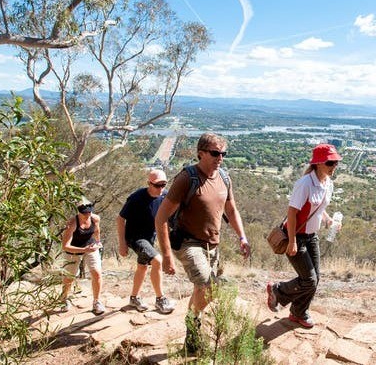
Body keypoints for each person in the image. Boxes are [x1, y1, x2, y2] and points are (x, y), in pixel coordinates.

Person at [155, 133, 251, 354]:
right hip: (188, 243)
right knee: (208, 286)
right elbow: (160, 218)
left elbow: (231, 210)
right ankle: (193, 322)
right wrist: (167, 256)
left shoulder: (225, 178)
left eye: (223, 153)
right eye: (215, 153)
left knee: (201, 289)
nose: (220, 158)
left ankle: (192, 325)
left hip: (212, 244)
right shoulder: (187, 179)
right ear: (201, 153)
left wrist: (242, 237)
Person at [265, 143, 342, 328]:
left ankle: (298, 313)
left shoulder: (327, 184)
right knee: (309, 280)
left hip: (311, 236)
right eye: (330, 163)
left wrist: (329, 220)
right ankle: (278, 290)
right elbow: (292, 213)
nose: (334, 167)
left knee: (315, 280)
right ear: (318, 163)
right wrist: (292, 241)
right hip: (297, 236)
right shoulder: (305, 184)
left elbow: (319, 208)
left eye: (336, 162)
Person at [117, 169, 176, 314]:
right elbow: (120, 219)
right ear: (149, 183)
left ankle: (134, 298)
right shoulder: (136, 198)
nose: (161, 188)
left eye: (164, 185)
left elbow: (169, 218)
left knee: (142, 267)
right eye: (157, 185)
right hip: (135, 238)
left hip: (149, 238)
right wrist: (122, 243)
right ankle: (160, 300)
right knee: (157, 260)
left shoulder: (165, 196)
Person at [60, 197, 105, 315]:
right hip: (73, 250)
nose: (87, 215)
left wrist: (97, 243)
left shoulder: (95, 219)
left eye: (89, 212)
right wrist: (83, 249)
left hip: (90, 247)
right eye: (84, 213)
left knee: (96, 272)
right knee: (69, 277)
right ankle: (64, 299)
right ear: (78, 212)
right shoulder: (72, 223)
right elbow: (65, 246)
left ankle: (97, 301)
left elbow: (96, 231)